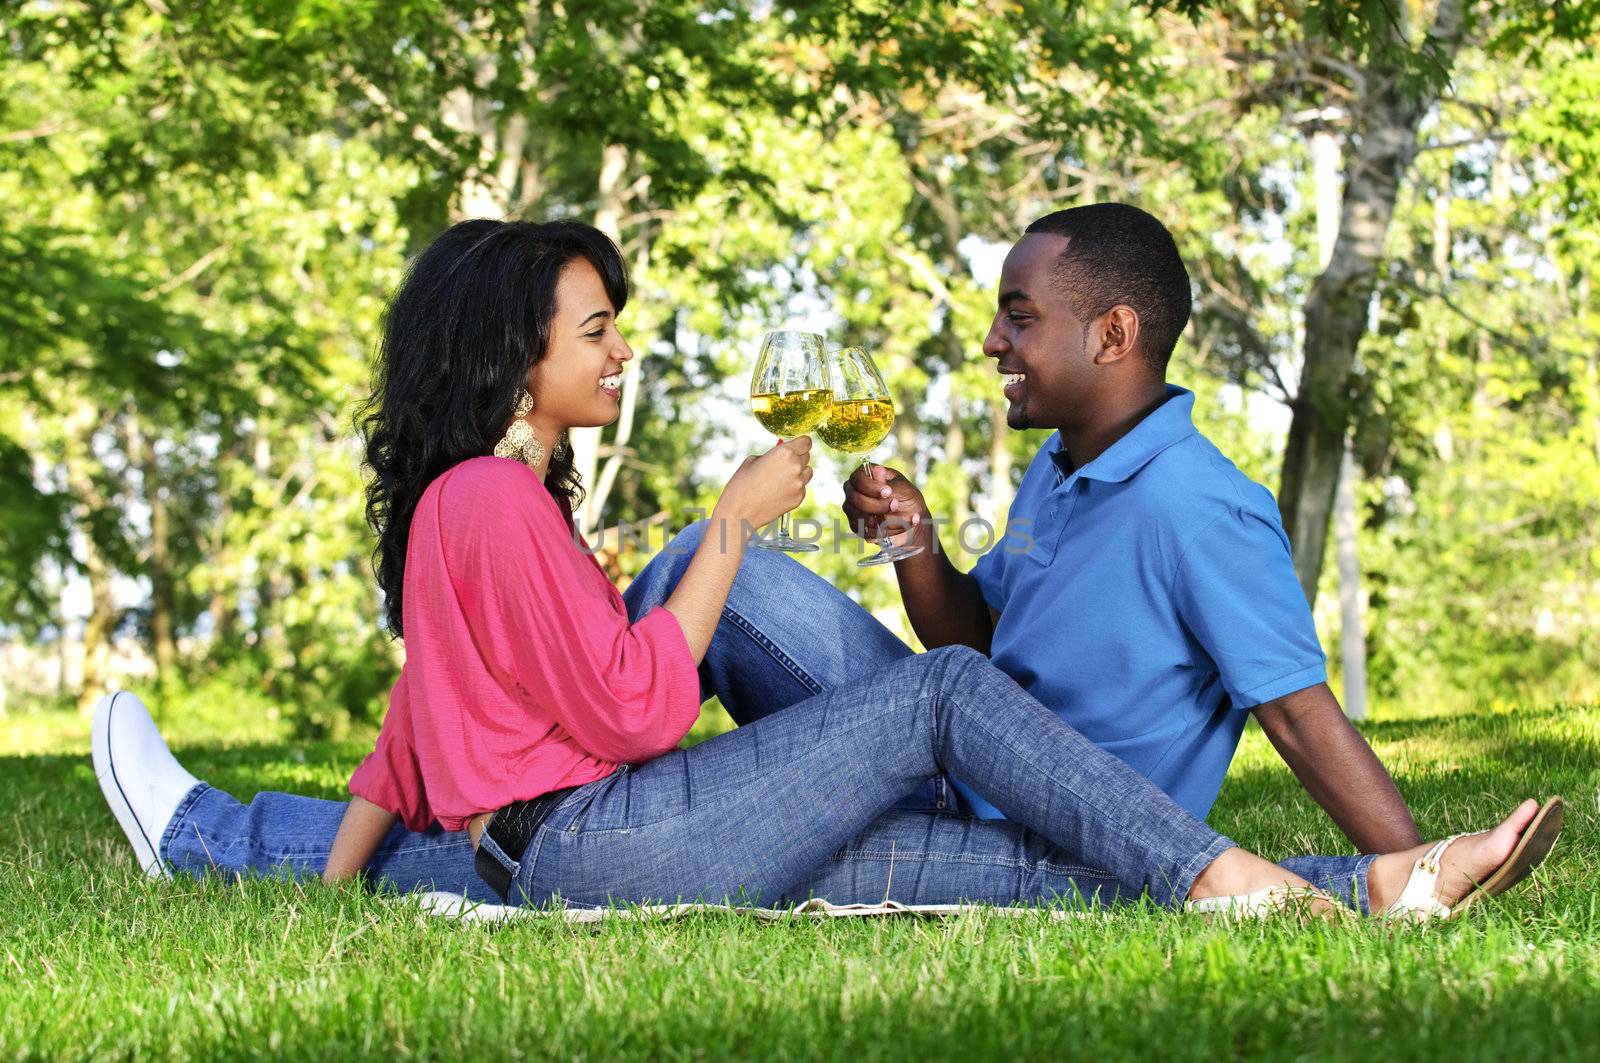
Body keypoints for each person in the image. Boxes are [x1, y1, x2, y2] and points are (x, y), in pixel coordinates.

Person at [94, 218, 1560, 920]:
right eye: (596, 328)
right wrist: (793, 535)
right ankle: (1281, 887)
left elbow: (1302, 713)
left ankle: (1375, 888)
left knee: (1024, 847)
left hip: (612, 841)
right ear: (515, 354)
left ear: (1113, 337)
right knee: (925, 682)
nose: (994, 342)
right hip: (624, 824)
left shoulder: (1204, 511)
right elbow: (632, 716)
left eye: (1019, 318)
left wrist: (346, 888)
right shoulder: (489, 501)